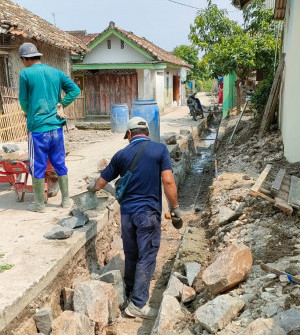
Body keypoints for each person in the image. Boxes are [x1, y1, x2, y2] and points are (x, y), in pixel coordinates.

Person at [88, 117, 183, 319]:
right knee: (147, 256)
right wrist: (175, 208)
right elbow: (167, 180)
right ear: (147, 133)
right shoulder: (160, 150)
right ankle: (138, 304)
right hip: (147, 214)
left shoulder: (120, 155)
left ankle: (130, 294)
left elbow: (100, 183)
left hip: (127, 215)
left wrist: (91, 188)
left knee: (132, 255)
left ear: (130, 134)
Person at [18, 42, 81, 212]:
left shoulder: (25, 74)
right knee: (59, 163)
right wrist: (62, 104)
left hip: (37, 129)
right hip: (56, 128)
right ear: (38, 56)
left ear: (24, 59)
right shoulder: (56, 72)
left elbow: (23, 101)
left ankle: (39, 204)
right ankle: (66, 201)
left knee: (37, 165)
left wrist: (27, 112)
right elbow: (75, 90)